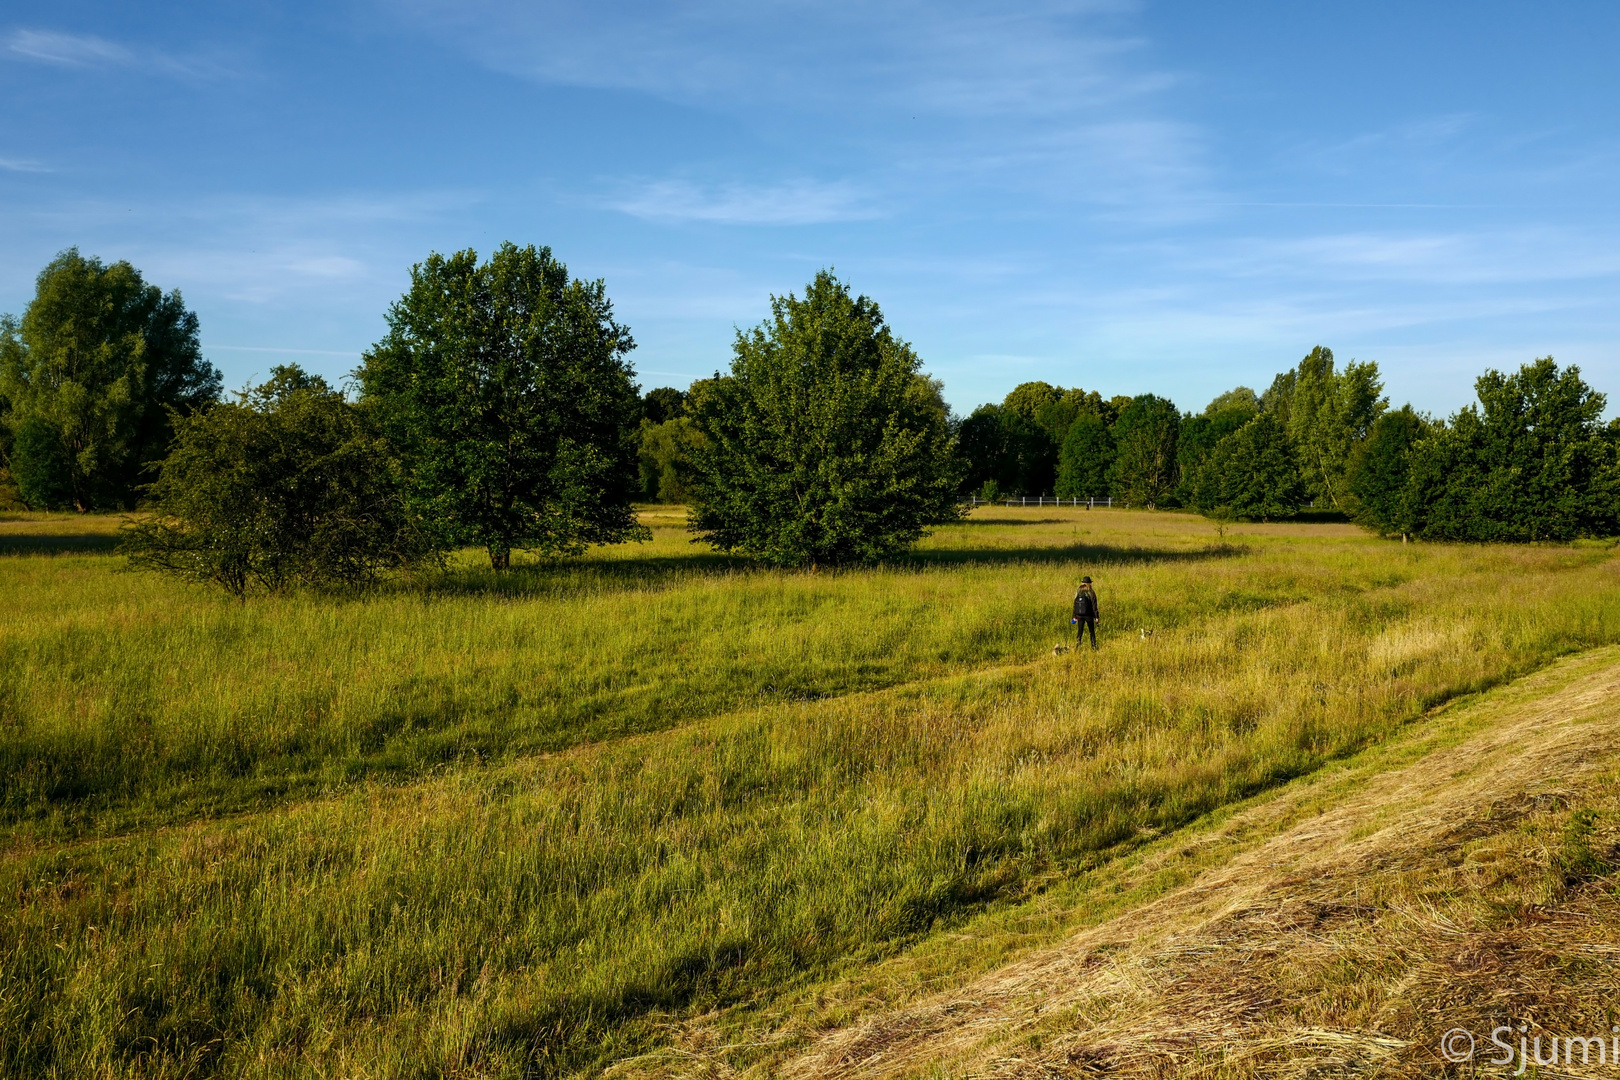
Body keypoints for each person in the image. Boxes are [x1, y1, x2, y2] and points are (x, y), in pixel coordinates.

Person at [1072, 576, 1100, 649]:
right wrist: (1096, 616)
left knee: (1080, 631)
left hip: (1079, 615)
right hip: (1089, 615)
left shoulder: (1078, 591)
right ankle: (1093, 646)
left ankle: (1077, 646)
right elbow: (1094, 605)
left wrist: (1074, 616)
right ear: (1089, 583)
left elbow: (1075, 604)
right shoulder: (1091, 591)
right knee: (1091, 631)